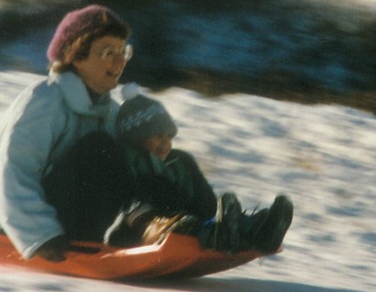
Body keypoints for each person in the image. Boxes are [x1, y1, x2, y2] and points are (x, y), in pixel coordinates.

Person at [0, 4, 140, 262]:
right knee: (99, 148)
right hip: (23, 223)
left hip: (75, 213)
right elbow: (9, 171)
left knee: (150, 154)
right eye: (108, 52)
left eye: (123, 51)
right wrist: (42, 235)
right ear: (77, 56)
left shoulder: (110, 111)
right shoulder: (44, 101)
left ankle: (183, 226)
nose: (119, 61)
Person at [110, 83, 294, 254]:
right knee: (183, 226)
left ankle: (257, 232)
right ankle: (219, 236)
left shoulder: (178, 162)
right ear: (136, 137)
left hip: (184, 224)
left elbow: (206, 205)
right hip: (137, 234)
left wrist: (207, 209)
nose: (166, 144)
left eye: (169, 137)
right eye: (158, 137)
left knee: (200, 224)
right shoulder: (126, 162)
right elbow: (130, 207)